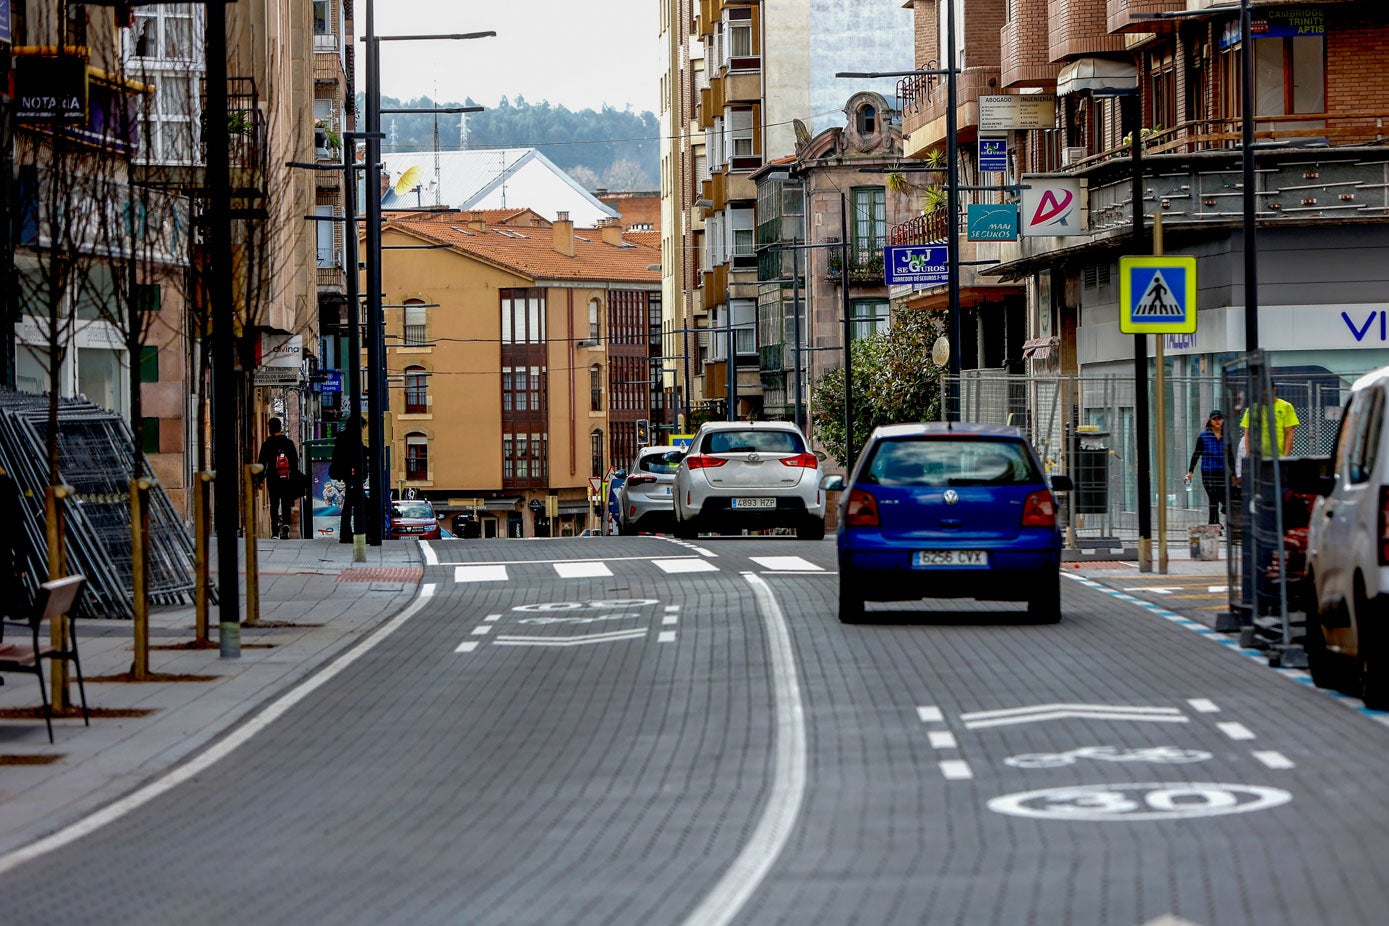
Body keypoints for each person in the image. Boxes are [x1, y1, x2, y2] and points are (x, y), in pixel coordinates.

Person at [256, 417, 300, 540]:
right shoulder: (289, 443)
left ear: (269, 429)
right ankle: (286, 525)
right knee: (286, 503)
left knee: (274, 504)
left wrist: (260, 480)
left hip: (272, 478)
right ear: (281, 428)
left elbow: (262, 463)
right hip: (286, 478)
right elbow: (295, 462)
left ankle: (275, 531)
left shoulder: (267, 444)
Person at [1186, 410, 1232, 525]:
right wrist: (1190, 471)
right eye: (1215, 419)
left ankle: (1214, 523)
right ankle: (1213, 525)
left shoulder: (1226, 437)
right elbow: (1196, 454)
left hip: (1221, 472)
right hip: (1208, 472)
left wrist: (1234, 473)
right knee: (1213, 498)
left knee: (1222, 499)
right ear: (1210, 421)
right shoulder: (1203, 437)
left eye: (1219, 419)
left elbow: (1230, 456)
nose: (1217, 421)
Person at [1240, 384, 1299, 460]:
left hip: (1279, 458)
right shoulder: (1252, 409)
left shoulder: (1286, 407)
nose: (1264, 397)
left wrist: (1285, 457)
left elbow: (1289, 433)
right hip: (1258, 459)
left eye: (1266, 394)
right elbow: (1247, 434)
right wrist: (1250, 455)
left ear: (1274, 390)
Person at [330, 417, 365, 544]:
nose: (362, 430)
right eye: (361, 427)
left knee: (350, 504)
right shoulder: (351, 439)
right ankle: (351, 533)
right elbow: (354, 456)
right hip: (352, 476)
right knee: (355, 504)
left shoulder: (343, 438)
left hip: (348, 476)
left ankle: (347, 533)